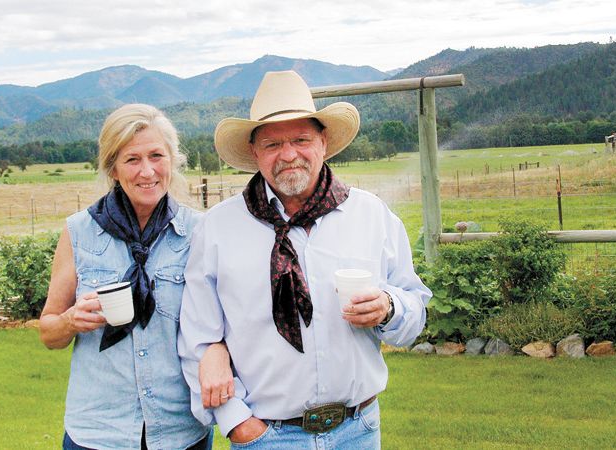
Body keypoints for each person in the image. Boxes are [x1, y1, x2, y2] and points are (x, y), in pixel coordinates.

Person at [178, 71, 432, 449]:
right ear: (254, 152)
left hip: (357, 431)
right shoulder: (217, 228)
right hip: (266, 437)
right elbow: (198, 339)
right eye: (273, 144)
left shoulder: (370, 215)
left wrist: (390, 308)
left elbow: (414, 311)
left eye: (301, 140)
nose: (289, 154)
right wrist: (238, 424)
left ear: (324, 142)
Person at [40, 104, 227, 450]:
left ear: (172, 160)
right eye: (132, 160)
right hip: (98, 431)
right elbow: (49, 332)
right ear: (112, 167)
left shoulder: (198, 232)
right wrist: (70, 321)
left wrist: (218, 349)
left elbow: (224, 321)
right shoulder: (78, 231)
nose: (147, 172)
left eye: (157, 156)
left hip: (180, 430)